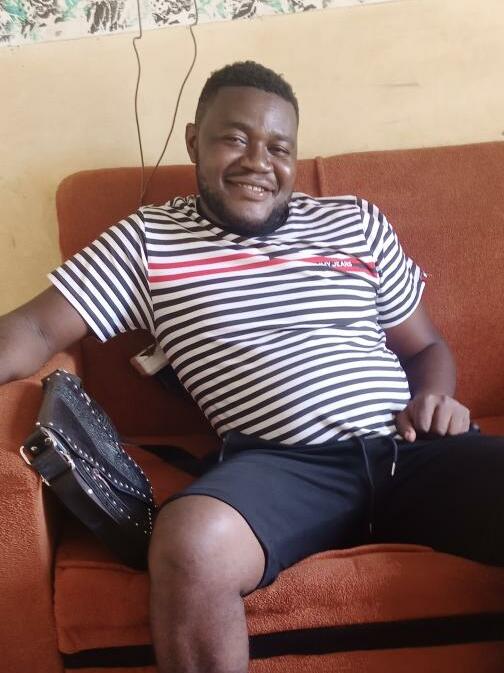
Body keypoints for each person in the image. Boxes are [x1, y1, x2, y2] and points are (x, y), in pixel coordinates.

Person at [1, 60, 503, 673]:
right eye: (235, 138)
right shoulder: (148, 241)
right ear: (194, 141)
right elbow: (34, 329)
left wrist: (437, 397)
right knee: (191, 545)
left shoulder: (354, 222)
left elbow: (426, 348)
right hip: (278, 468)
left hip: (410, 449)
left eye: (278, 147)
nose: (258, 162)